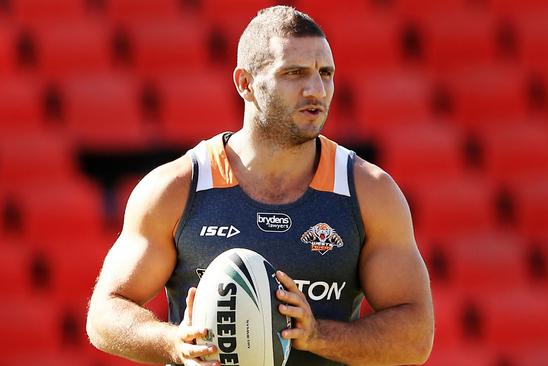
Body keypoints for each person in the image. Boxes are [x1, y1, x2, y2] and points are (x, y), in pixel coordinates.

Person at [86, 5, 434, 366]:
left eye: (325, 73)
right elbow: (105, 313)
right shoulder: (177, 187)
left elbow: (416, 337)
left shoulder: (368, 192)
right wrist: (172, 341)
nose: (316, 89)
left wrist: (316, 336)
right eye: (294, 73)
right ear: (245, 83)